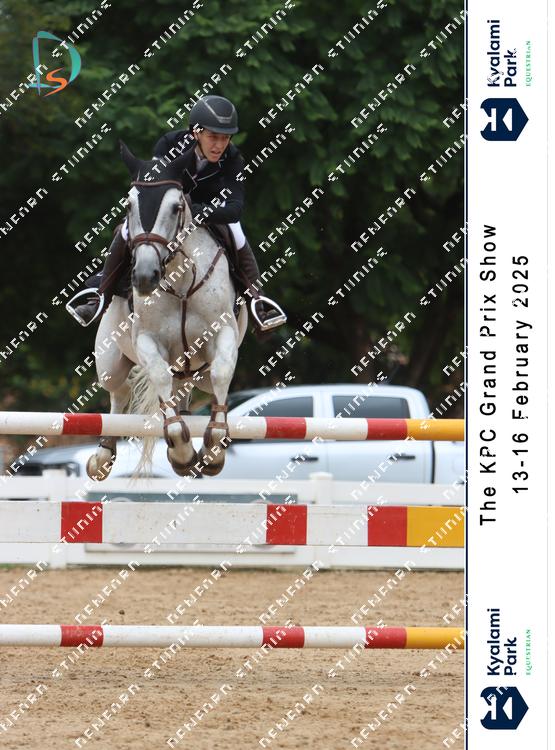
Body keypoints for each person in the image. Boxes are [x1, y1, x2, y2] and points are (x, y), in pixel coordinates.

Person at [69, 95, 286, 333]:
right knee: (128, 229)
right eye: (213, 137)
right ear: (196, 132)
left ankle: (258, 302)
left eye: (225, 138)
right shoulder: (169, 144)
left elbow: (235, 208)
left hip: (209, 211)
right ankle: (100, 297)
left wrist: (198, 211)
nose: (219, 145)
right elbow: (152, 187)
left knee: (238, 234)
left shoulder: (233, 159)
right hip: (167, 207)